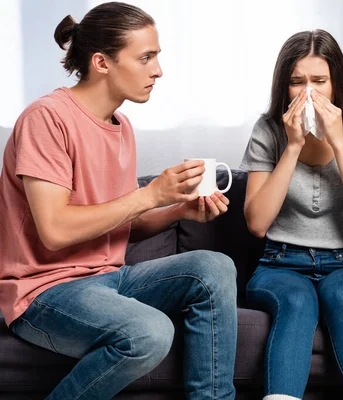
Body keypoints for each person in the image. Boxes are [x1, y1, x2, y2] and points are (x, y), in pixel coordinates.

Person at [0, 2, 237, 399]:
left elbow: (118, 220)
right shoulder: (46, 118)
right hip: (44, 293)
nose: (158, 70)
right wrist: (149, 194)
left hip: (109, 280)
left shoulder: (121, 126)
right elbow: (56, 231)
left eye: (157, 57)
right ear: (101, 62)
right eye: (146, 58)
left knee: (212, 267)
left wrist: (177, 209)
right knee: (149, 332)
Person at [240, 29, 343, 400]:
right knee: (297, 300)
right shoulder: (268, 130)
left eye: (319, 81)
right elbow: (257, 223)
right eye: (296, 82)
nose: (308, 92)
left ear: (336, 83)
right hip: (280, 264)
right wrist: (292, 147)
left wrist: (338, 141)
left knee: (339, 293)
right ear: (283, 87)